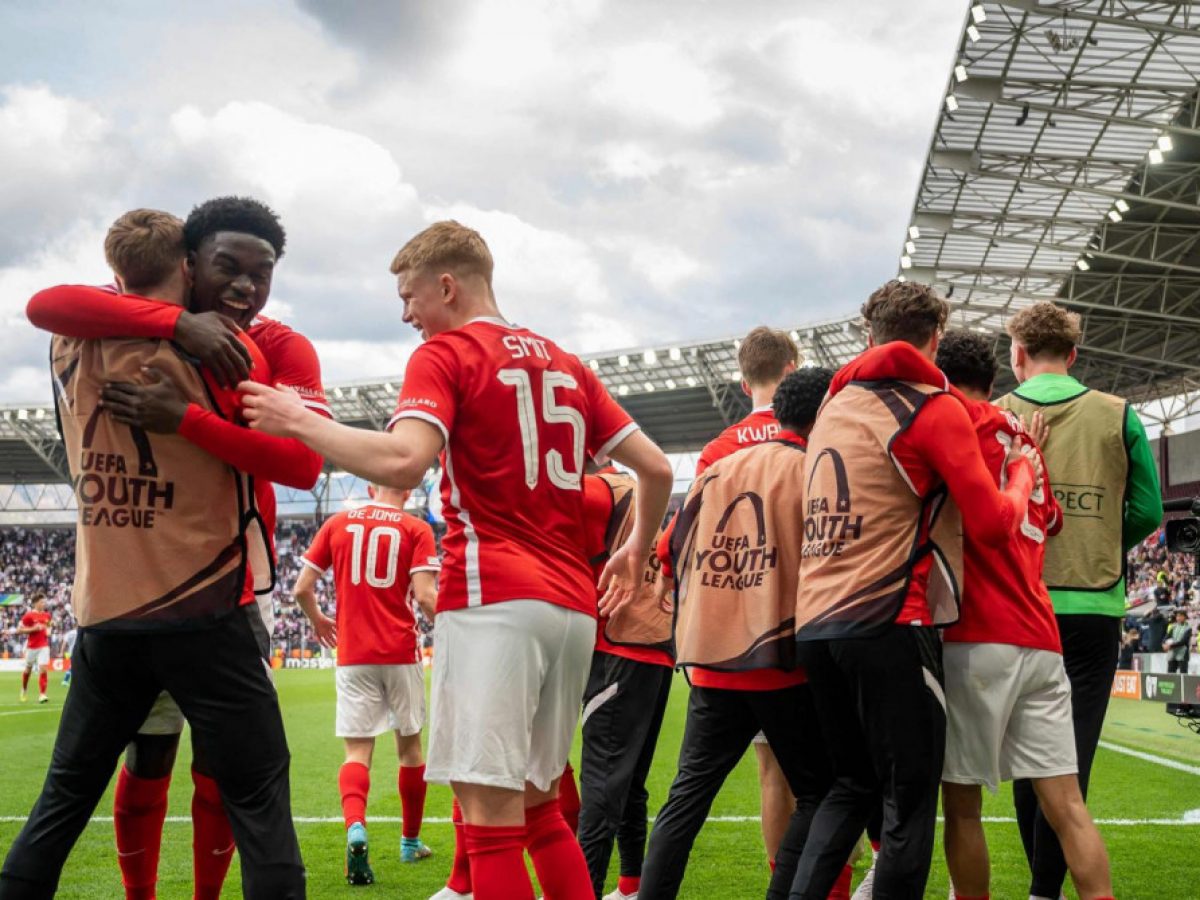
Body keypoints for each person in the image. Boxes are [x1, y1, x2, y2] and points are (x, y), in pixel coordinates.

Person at [239, 220, 674, 900]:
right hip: (571, 609)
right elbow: (653, 469)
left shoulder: (447, 354)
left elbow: (405, 458)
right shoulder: (566, 361)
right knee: (540, 809)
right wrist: (632, 551)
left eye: (411, 296)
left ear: (447, 284)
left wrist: (296, 419)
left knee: (492, 823)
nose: (407, 313)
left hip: (494, 596)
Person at [26, 196, 330, 900]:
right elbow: (48, 300)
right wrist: (174, 321)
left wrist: (187, 420)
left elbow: (303, 465)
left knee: (208, 776)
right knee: (153, 760)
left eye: (263, 273)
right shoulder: (126, 322)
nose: (247, 286)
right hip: (170, 594)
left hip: (216, 588)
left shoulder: (278, 347)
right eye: (229, 266)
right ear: (188, 265)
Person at [790, 280, 1037, 900]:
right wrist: (1021, 473)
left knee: (849, 787)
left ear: (868, 337)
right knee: (908, 802)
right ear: (934, 340)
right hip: (890, 622)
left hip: (815, 624)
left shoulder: (833, 408)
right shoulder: (932, 406)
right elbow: (990, 527)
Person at [639, 367, 838, 900]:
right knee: (820, 792)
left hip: (711, 662)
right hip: (781, 663)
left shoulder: (718, 469)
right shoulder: (813, 470)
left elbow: (668, 548)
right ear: (825, 416)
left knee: (686, 799)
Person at [935, 329, 1114, 900]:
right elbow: (1054, 521)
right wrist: (1026, 452)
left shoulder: (950, 425)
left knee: (961, 807)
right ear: (995, 380)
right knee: (1067, 805)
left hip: (976, 636)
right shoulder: (1022, 442)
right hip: (1042, 636)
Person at [997, 301, 1163, 900]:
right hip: (1092, 609)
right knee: (1069, 763)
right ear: (1073, 355)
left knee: (1024, 758)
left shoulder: (992, 416)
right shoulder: (1119, 414)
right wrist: (1098, 538)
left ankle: (1042, 889)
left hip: (1016, 605)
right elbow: (1147, 509)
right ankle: (1045, 893)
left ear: (1017, 355)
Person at [657, 325, 801, 872]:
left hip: (726, 635)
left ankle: (782, 873)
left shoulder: (717, 450)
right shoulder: (809, 437)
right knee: (815, 776)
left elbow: (690, 540)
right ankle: (812, 878)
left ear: (744, 384)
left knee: (762, 772)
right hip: (792, 633)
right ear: (794, 369)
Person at [293, 485, 440, 884]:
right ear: (408, 489)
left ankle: (356, 826)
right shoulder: (416, 528)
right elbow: (426, 598)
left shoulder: (337, 523)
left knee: (357, 751)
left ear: (371, 486)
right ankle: (410, 843)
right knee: (409, 748)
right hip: (399, 652)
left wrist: (319, 619)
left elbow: (301, 588)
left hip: (353, 654)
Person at [576, 464, 675, 900]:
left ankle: (582, 890)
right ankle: (631, 884)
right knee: (628, 779)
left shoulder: (597, 491)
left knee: (601, 780)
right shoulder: (641, 490)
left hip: (618, 645)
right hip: (656, 645)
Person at [16, 593, 52, 704]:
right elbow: (19, 630)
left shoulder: (47, 615)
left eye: (44, 602)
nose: (44, 604)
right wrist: (33, 628)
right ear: (36, 603)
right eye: (42, 602)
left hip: (43, 646)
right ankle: (24, 690)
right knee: (28, 670)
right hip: (32, 647)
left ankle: (42, 694)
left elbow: (49, 626)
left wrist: (48, 631)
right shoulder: (29, 616)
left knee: (43, 669)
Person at [1165, 609, 1192, 674]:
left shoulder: (1188, 628)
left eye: (1180, 616)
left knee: (1183, 674)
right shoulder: (1173, 626)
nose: (1178, 618)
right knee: (1170, 674)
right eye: (1177, 616)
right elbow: (1166, 637)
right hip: (1172, 653)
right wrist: (1163, 644)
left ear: (1185, 617)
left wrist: (1170, 645)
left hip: (1183, 654)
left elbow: (1184, 641)